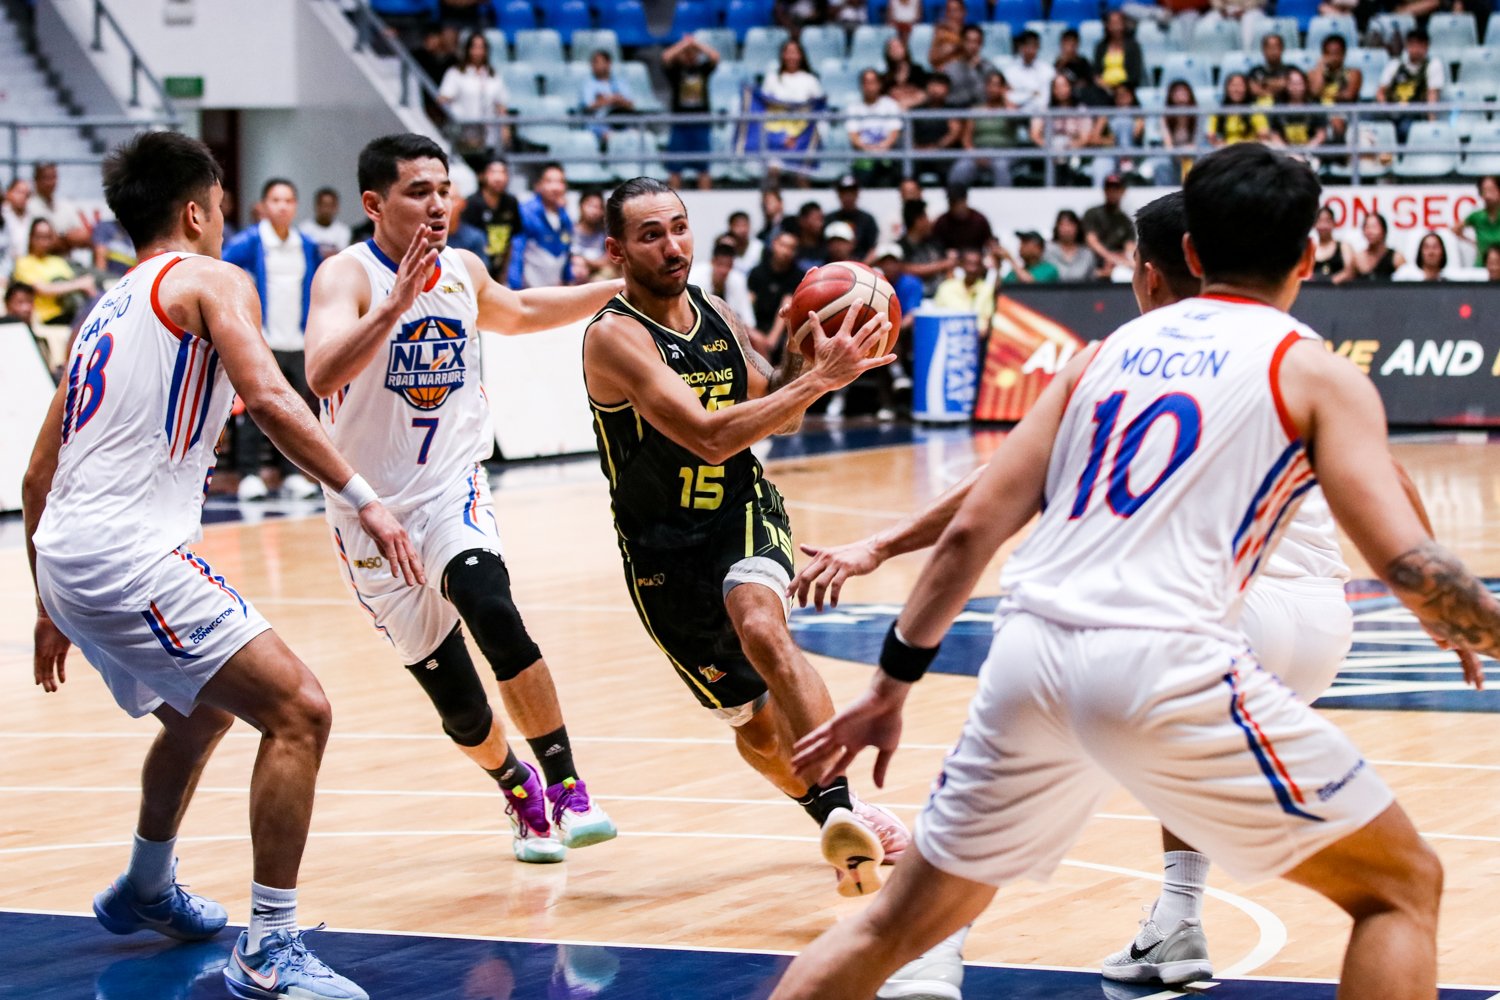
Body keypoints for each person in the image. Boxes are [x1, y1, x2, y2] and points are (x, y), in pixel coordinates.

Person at [768, 141, 1493, 1000]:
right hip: (1174, 656)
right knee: (1401, 891)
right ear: (1309, 255)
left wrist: (889, 687)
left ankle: (952, 953)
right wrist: (1469, 616)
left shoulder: (1094, 358)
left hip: (1032, 655)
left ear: (1185, 256)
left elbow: (971, 531)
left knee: (889, 927)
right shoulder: (1315, 371)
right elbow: (1407, 559)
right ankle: (1169, 921)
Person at [25, 129, 421, 1000]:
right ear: (197, 212)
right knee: (300, 712)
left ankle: (143, 886)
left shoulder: (103, 308)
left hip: (66, 555)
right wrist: (366, 495)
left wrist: (48, 603)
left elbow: (36, 472)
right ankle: (269, 948)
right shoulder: (211, 278)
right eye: (222, 208)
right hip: (130, 557)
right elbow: (276, 397)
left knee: (202, 712)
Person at [580, 177, 910, 895]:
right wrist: (815, 380)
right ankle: (827, 812)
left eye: (679, 227)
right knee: (756, 733)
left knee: (762, 624)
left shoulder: (719, 314)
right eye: (650, 235)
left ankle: (848, 811)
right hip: (662, 554)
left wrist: (802, 360)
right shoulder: (615, 338)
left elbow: (778, 416)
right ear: (616, 251)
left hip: (741, 513)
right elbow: (706, 436)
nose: (673, 246)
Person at [303, 132, 624, 866]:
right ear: (375, 204)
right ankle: (517, 787)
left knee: (493, 606)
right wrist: (393, 307)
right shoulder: (344, 276)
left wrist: (614, 289)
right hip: (368, 511)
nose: (439, 204)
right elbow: (320, 374)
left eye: (445, 189)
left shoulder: (463, 268)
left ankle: (569, 785)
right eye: (420, 191)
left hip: (452, 486)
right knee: (461, 706)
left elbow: (517, 309)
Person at [223, 178, 324, 501]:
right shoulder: (251, 242)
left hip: (297, 340)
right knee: (256, 410)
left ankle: (292, 474)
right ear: (264, 206)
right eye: (276, 200)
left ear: (295, 207)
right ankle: (249, 475)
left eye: (288, 200)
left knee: (296, 411)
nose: (282, 206)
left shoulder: (306, 245)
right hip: (262, 340)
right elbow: (222, 270)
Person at [439, 32, 511, 160]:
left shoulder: (493, 75)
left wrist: (505, 128)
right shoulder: (455, 73)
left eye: (482, 47)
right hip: (463, 134)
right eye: (474, 47)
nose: (478, 51)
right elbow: (443, 99)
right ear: (467, 49)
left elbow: (501, 104)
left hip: (488, 135)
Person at [663, 33, 720, 191]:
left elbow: (715, 57)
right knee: (675, 169)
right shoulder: (675, 71)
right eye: (686, 54)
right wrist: (684, 44)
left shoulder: (703, 70)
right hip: (680, 125)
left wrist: (696, 44)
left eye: (692, 53)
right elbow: (666, 57)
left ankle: (707, 201)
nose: (689, 56)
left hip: (700, 124)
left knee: (704, 169)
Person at [13, 218, 96, 326]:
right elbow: (43, 289)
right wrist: (79, 284)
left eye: (48, 237)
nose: (44, 242)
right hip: (46, 317)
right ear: (31, 237)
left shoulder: (58, 261)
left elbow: (81, 284)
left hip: (71, 311)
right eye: (40, 236)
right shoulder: (23, 262)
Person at [1029, 74, 1108, 186]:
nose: (1061, 90)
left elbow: (1085, 137)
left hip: (1074, 151)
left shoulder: (1080, 109)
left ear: (1070, 87)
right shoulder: (1044, 109)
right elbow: (1035, 134)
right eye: (1057, 87)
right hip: (1049, 150)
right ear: (1052, 90)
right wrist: (1050, 148)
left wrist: (1067, 148)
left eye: (1064, 86)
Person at [952, 70, 1023, 189]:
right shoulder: (975, 110)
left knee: (1000, 166)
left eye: (997, 85)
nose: (993, 89)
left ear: (1003, 87)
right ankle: (956, 201)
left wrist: (1005, 95)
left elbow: (1014, 117)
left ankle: (1004, 200)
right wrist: (975, 155)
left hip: (1005, 152)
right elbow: (966, 139)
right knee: (961, 167)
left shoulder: (1010, 108)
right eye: (990, 85)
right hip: (979, 151)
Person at [508, 163, 573, 289]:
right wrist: (514, 288)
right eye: (549, 181)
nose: (555, 187)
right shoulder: (525, 212)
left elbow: (566, 253)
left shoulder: (565, 217)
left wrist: (568, 281)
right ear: (538, 185)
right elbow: (516, 253)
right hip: (527, 290)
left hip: (554, 290)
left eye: (560, 182)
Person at [1378, 28, 1444, 142]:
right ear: (1407, 46)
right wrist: (1387, 111)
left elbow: (1432, 96)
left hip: (1415, 115)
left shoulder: (1433, 65)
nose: (1416, 49)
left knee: (1405, 128)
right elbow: (1381, 92)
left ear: (1427, 47)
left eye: (1421, 45)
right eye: (1413, 44)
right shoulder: (1395, 65)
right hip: (1392, 112)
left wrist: (1432, 124)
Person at [747, 229, 805, 359]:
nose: (786, 251)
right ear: (774, 244)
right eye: (783, 245)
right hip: (757, 325)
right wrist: (751, 332)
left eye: (791, 248)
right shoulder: (757, 272)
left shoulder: (797, 275)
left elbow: (787, 306)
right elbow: (748, 305)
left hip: (784, 329)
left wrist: (772, 338)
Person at [462, 158, 520, 284]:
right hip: (473, 272)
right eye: (493, 172)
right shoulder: (471, 204)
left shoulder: (511, 202)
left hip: (499, 272)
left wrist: (504, 273)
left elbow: (511, 241)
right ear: (482, 176)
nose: (498, 177)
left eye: (503, 172)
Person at [846, 71, 905, 189]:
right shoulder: (853, 108)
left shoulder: (890, 105)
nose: (869, 86)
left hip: (886, 156)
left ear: (879, 84)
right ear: (861, 86)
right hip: (863, 156)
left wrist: (881, 148)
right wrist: (868, 149)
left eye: (872, 82)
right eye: (866, 83)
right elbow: (853, 135)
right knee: (863, 172)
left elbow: (894, 132)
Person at [689, 238, 757, 330]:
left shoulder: (737, 279)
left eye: (728, 266)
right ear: (712, 262)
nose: (724, 271)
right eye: (720, 264)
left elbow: (748, 319)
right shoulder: (695, 277)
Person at [1309, 34, 1359, 151]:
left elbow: (1348, 95)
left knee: (1337, 120)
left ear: (1344, 54)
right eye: (1329, 53)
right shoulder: (1314, 73)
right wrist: (1321, 66)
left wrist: (1325, 95)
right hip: (1318, 112)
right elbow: (1315, 91)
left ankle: (1338, 157)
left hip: (1343, 112)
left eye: (1336, 53)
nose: (1333, 57)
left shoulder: (1353, 73)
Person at [912, 74, 965, 183]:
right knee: (908, 166)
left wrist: (936, 148)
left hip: (944, 153)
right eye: (933, 84)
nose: (935, 89)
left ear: (948, 89)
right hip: (919, 154)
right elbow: (909, 135)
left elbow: (954, 133)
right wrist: (920, 149)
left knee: (950, 169)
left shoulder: (953, 110)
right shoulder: (915, 111)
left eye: (940, 85)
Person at [27, 161, 89, 251]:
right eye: (46, 178)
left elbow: (83, 237)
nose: (50, 182)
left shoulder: (66, 205)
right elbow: (44, 244)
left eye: (53, 177)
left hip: (65, 261)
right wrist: (68, 240)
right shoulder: (29, 206)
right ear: (36, 180)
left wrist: (59, 239)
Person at [1082, 174, 1135, 277]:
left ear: (1123, 191)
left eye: (1116, 188)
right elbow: (1091, 241)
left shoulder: (1126, 221)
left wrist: (1121, 260)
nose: (1112, 192)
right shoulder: (1092, 213)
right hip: (1092, 261)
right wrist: (1111, 257)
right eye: (1109, 188)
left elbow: (1130, 248)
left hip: (1115, 264)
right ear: (1104, 190)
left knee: (1130, 268)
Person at [932, 246, 995, 330]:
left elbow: (985, 326)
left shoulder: (987, 289)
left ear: (981, 267)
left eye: (976, 264)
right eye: (969, 264)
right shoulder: (946, 287)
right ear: (961, 265)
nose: (972, 269)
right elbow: (936, 317)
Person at [579, 49, 636, 138]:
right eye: (593, 63)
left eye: (597, 62)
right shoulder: (588, 84)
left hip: (621, 122)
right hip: (598, 123)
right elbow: (588, 105)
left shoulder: (620, 83)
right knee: (611, 136)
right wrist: (610, 100)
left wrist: (616, 100)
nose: (593, 66)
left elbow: (630, 104)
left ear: (608, 63)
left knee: (635, 135)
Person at [1268, 68, 1327, 152]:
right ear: (1287, 85)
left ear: (1305, 85)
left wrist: (1307, 150)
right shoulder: (1278, 107)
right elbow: (1274, 134)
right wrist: (1287, 152)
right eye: (1293, 84)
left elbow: (1321, 134)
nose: (1296, 87)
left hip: (1311, 152)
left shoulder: (1315, 105)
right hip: (1284, 153)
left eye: (1299, 83)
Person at [900, 198, 951, 296]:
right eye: (926, 217)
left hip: (939, 298)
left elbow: (948, 267)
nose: (929, 221)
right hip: (912, 300)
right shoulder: (900, 247)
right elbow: (904, 269)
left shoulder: (934, 244)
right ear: (918, 221)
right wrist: (941, 265)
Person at [1207, 72, 1271, 146]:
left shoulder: (1254, 110)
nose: (1236, 89)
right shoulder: (1219, 112)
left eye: (1240, 85)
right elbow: (1211, 135)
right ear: (1227, 88)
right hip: (1226, 152)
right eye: (1233, 85)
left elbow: (1264, 134)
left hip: (1248, 151)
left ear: (1246, 88)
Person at [827, 176, 880, 261]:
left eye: (851, 192)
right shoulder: (829, 219)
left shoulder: (867, 220)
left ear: (857, 194)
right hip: (832, 265)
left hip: (862, 265)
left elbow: (873, 249)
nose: (848, 196)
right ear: (839, 194)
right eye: (844, 192)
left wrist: (861, 267)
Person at [932, 184, 994, 255]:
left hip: (976, 259)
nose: (955, 206)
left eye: (957, 202)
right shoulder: (942, 222)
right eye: (951, 202)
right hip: (950, 261)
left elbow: (989, 243)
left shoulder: (979, 220)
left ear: (965, 201)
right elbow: (935, 246)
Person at [1158, 79, 1200, 184]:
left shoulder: (1198, 116)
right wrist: (1180, 152)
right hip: (1174, 155)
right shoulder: (1165, 117)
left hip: (1192, 153)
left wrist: (1187, 151)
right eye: (1177, 92)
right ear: (1170, 96)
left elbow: (1197, 144)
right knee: (1162, 164)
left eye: (1184, 92)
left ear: (1190, 95)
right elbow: (1168, 146)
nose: (1180, 96)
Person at [1452, 175, 1500, 264]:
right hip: (1482, 265)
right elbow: (1455, 229)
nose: (1488, 195)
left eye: (1491, 190)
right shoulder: (1477, 216)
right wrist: (1472, 242)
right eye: (1484, 191)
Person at [1094, 11, 1144, 93]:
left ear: (1124, 24)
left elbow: (1135, 74)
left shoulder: (1133, 46)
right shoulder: (1101, 46)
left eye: (1118, 23)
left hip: (1127, 88)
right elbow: (1096, 72)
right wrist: (1104, 85)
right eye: (1112, 23)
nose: (1116, 27)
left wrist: (1121, 87)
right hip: (1104, 89)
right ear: (1107, 25)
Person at [571, 189, 614, 283]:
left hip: (597, 278)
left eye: (598, 207)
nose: (594, 211)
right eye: (590, 205)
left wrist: (585, 262)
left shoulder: (604, 234)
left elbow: (608, 262)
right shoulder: (570, 231)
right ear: (581, 206)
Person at [1007, 30, 1055, 114]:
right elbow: (1011, 98)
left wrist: (1022, 95)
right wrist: (1031, 94)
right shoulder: (1010, 71)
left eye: (1034, 46)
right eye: (1027, 45)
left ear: (1038, 47)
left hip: (1040, 115)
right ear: (1020, 47)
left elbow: (1043, 101)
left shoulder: (1047, 70)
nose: (1030, 50)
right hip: (1016, 115)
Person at [1045, 209, 1097, 282]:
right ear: (1057, 227)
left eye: (1070, 225)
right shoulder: (1047, 250)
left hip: (1080, 291)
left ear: (1077, 227)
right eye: (1062, 225)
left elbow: (1092, 278)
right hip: (1051, 291)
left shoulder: (1087, 253)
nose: (1067, 229)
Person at [300, 188, 352, 260]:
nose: (326, 210)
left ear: (336, 207)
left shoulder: (343, 230)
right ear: (316, 206)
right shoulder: (304, 229)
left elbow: (342, 256)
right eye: (324, 205)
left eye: (330, 205)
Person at [881, 35, 929, 110]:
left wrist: (907, 103)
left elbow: (924, 94)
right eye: (891, 48)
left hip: (917, 111)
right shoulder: (885, 77)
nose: (895, 50)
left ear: (905, 49)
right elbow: (884, 100)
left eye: (898, 47)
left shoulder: (917, 70)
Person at [1352, 212, 1404, 281]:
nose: (1370, 232)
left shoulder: (1396, 258)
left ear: (1384, 230)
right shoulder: (1358, 258)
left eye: (1374, 227)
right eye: (1367, 227)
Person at [1311, 205, 1354, 283]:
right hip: (1313, 291)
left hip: (1337, 292)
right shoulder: (1309, 249)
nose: (1323, 226)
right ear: (1314, 224)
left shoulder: (1343, 246)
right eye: (1319, 221)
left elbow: (1350, 271)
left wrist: (1333, 281)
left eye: (1327, 221)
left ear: (1334, 223)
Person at [784, 200, 829, 271]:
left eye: (821, 219)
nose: (821, 224)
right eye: (816, 219)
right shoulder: (793, 248)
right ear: (802, 221)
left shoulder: (827, 247)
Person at [1249, 32, 1291, 101]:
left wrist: (1263, 83)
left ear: (1282, 49)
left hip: (1286, 110)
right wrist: (1276, 86)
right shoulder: (1255, 71)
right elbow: (1254, 89)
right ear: (1263, 50)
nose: (1273, 51)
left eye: (1276, 47)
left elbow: (1285, 84)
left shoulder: (1290, 70)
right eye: (1269, 47)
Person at [725, 210, 763, 274]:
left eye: (745, 225)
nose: (742, 230)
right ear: (730, 227)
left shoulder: (759, 247)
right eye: (738, 226)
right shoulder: (725, 246)